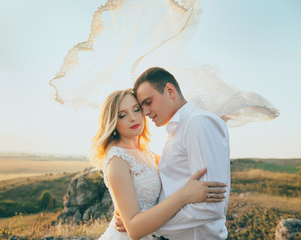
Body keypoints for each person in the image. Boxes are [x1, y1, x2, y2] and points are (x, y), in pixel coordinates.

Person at [90, 88, 227, 240]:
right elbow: (134, 230)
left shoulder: (146, 152)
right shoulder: (117, 161)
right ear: (113, 123)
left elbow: (176, 170)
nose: (133, 118)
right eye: (122, 115)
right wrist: (184, 195)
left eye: (136, 110)